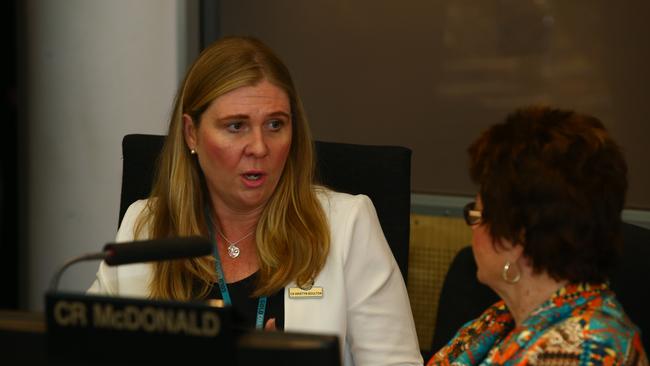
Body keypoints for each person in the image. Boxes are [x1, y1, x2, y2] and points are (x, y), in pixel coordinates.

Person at [87, 36, 422, 366]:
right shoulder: (144, 226)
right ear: (191, 134)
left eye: (275, 124)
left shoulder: (346, 225)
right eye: (236, 126)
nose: (260, 147)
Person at [428, 106, 648, 366]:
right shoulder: (501, 320)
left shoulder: (584, 352)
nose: (472, 229)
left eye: (476, 215)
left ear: (517, 237)